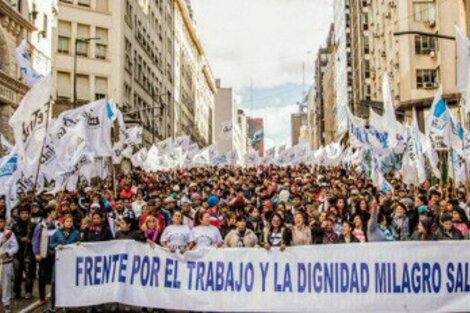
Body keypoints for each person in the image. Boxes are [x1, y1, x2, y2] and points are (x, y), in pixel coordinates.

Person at [49, 215, 81, 312]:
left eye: (71, 221)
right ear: (63, 222)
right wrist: (57, 245)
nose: (69, 223)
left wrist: (78, 244)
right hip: (59, 262)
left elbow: (80, 244)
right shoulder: (57, 233)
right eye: (67, 221)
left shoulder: (76, 233)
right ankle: (54, 303)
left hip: (71, 262)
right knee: (55, 281)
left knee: (69, 282)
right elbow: (51, 244)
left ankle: (68, 303)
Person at [32, 206, 59, 306]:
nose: (55, 213)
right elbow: (35, 240)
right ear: (49, 213)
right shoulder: (40, 226)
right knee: (42, 276)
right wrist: (36, 253)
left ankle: (55, 297)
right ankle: (42, 297)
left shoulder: (57, 224)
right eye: (54, 212)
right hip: (44, 255)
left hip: (55, 255)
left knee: (55, 276)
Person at [12, 206, 36, 299]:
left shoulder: (32, 225)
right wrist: (21, 238)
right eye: (22, 213)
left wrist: (30, 240)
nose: (24, 215)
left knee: (29, 273)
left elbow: (36, 238)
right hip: (18, 252)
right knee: (17, 274)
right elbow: (13, 237)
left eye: (26, 213)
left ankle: (28, 291)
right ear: (19, 215)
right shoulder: (15, 225)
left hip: (29, 252)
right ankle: (17, 292)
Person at [0, 215, 18, 313]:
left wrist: (7, 253)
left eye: (2, 222)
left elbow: (15, 247)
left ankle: (6, 303)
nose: (0, 224)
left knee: (6, 283)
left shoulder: (9, 234)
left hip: (6, 262)